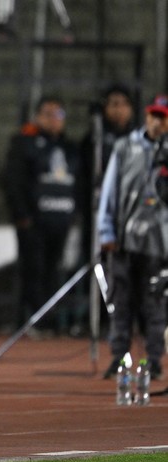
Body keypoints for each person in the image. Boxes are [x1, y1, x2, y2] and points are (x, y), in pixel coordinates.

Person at [98, 95, 168, 380]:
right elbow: (109, 190)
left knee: (155, 303)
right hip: (125, 239)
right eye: (154, 115)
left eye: (163, 117)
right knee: (121, 300)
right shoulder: (125, 147)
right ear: (146, 116)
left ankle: (154, 359)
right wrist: (106, 229)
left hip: (160, 242)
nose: (157, 122)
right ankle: (119, 357)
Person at [3, 96, 80, 332]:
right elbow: (13, 181)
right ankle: (34, 320)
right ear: (38, 117)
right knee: (32, 271)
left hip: (61, 220)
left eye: (59, 114)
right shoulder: (24, 143)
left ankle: (52, 320)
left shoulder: (70, 149)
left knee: (53, 271)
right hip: (33, 222)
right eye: (48, 114)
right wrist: (22, 214)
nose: (54, 120)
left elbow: (79, 183)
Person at [74, 84, 135, 335]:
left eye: (123, 104)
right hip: (101, 215)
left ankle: (130, 319)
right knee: (100, 263)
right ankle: (96, 317)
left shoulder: (139, 138)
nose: (118, 110)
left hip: (131, 214)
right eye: (113, 104)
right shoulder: (94, 139)